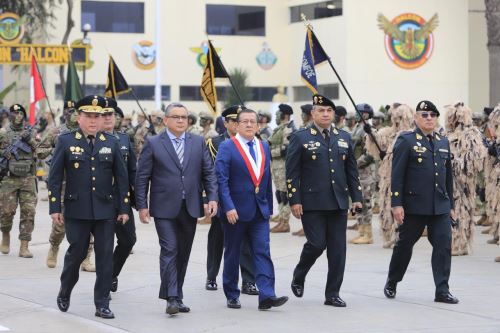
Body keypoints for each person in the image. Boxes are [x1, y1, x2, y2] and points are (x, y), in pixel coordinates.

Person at [49, 95, 130, 319]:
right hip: (77, 209)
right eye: (89, 116)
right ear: (79, 117)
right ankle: (65, 290)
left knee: (104, 258)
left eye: (98, 116)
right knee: (76, 254)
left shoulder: (111, 142)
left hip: (105, 210)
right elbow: (54, 177)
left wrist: (123, 208)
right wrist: (55, 207)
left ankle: (102, 303)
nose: (94, 121)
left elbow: (122, 179)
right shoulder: (66, 141)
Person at [135, 102, 218, 315]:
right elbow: (142, 177)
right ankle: (171, 297)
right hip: (163, 207)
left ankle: (177, 295)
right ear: (166, 121)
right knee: (170, 248)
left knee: (183, 253)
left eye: (184, 117)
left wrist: (211, 198)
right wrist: (142, 205)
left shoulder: (198, 142)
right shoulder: (154, 143)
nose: (181, 120)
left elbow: (208, 173)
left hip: (190, 206)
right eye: (176, 117)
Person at [286, 94, 363, 307]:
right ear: (313, 113)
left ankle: (333, 294)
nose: (326, 114)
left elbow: (352, 171)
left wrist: (356, 197)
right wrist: (294, 199)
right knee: (316, 244)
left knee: (338, 251)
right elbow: (292, 172)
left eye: (329, 111)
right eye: (321, 110)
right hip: (312, 203)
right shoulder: (301, 137)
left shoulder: (344, 137)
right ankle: (299, 274)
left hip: (338, 202)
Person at [383, 100, 459, 304]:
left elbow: (447, 177)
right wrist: (396, 204)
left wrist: (451, 205)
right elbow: (396, 174)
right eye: (424, 115)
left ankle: (442, 290)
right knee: (404, 246)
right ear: (416, 118)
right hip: (414, 206)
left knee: (443, 246)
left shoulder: (442, 141)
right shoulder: (406, 140)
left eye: (433, 115)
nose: (429, 119)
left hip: (440, 206)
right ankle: (393, 280)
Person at [216, 108, 288, 311]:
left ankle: (267, 295)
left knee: (262, 251)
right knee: (233, 252)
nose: (249, 125)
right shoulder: (227, 147)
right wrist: (228, 206)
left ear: (258, 126)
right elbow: (221, 180)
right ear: (237, 125)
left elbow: (265, 179)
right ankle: (231, 293)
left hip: (259, 211)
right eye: (244, 121)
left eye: (252, 122)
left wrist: (269, 208)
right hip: (235, 212)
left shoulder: (264, 145)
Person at [205, 105, 258, 295]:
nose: (238, 124)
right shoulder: (215, 143)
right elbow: (210, 174)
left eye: (240, 120)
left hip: (245, 200)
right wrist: (209, 199)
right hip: (222, 200)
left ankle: (248, 281)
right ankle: (212, 276)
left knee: (246, 242)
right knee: (218, 240)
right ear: (226, 123)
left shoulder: (254, 142)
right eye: (234, 121)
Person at [40, 100, 96, 271]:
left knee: (90, 221)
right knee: (60, 224)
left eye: (74, 110)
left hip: (84, 184)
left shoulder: (89, 132)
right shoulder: (57, 132)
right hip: (64, 185)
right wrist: (56, 148)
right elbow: (40, 150)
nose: (70, 113)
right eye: (68, 110)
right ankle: (54, 246)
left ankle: (86, 258)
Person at [0, 104, 47, 258]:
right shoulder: (3, 133)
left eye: (21, 113)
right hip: (9, 178)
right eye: (15, 113)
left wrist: (31, 141)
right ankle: (5, 234)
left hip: (28, 177)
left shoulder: (31, 132)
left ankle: (24, 246)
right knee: (6, 211)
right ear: (10, 115)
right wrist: (3, 153)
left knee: (28, 212)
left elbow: (41, 153)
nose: (18, 115)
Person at [366, 103, 414, 248]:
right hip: (388, 177)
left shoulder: (412, 135)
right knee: (387, 207)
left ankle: (403, 236)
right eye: (395, 117)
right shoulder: (388, 132)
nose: (397, 120)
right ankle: (389, 236)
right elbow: (378, 142)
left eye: (400, 117)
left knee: (404, 208)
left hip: (407, 179)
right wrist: (370, 133)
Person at [101, 98, 137, 292]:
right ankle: (105, 283)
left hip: (121, 199)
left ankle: (112, 273)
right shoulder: (92, 138)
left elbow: (133, 171)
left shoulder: (123, 139)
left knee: (128, 240)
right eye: (104, 114)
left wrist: (139, 200)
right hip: (99, 199)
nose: (108, 118)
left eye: (111, 114)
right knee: (104, 245)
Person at [444, 102, 487, 255]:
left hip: (463, 181)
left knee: (463, 210)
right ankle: (455, 241)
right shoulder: (446, 134)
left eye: (453, 117)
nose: (450, 120)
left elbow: (477, 158)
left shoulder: (470, 134)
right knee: (452, 210)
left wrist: (457, 163)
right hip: (448, 180)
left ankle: (460, 243)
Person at [349, 104, 376, 244]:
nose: (356, 114)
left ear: (366, 114)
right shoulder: (356, 129)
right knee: (357, 202)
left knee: (366, 203)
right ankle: (361, 231)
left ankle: (368, 234)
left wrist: (353, 164)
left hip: (366, 174)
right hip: (356, 173)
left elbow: (370, 154)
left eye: (359, 112)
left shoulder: (369, 130)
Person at [268, 104, 296, 233]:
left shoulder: (289, 129)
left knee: (285, 194)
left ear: (284, 115)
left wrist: (270, 152)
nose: (276, 116)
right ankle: (281, 220)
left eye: (278, 114)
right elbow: (269, 143)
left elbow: (286, 150)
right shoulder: (279, 129)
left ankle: (285, 222)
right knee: (279, 193)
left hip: (284, 166)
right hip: (276, 167)